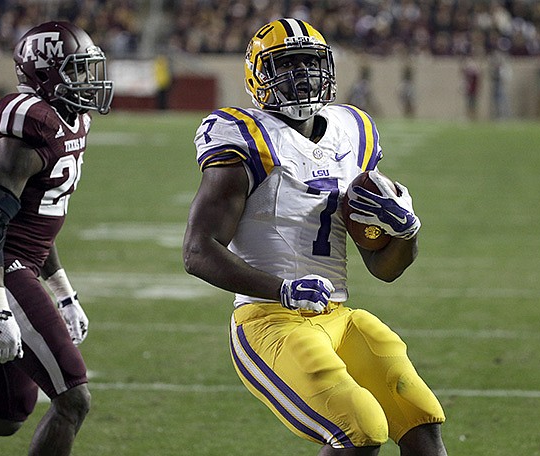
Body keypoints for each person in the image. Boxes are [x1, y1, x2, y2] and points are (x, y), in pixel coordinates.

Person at [183, 18, 447, 456]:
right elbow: (197, 251)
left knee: (421, 417)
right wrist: (282, 290)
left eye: (310, 63)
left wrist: (406, 231)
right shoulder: (246, 138)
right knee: (359, 428)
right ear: (258, 76)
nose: (302, 75)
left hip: (337, 314)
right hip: (268, 321)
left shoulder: (353, 131)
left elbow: (385, 269)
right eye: (288, 65)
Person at [0, 21, 113, 456]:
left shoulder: (69, 118)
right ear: (46, 75)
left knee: (5, 417)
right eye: (77, 71)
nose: (89, 82)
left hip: (18, 264)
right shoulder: (28, 124)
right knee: (73, 399)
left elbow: (37, 221)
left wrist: (64, 293)